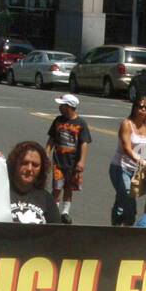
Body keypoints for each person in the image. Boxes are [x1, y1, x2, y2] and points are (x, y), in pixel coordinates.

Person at [109, 96, 146, 226]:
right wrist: (140, 160)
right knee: (129, 198)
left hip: (137, 171)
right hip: (120, 168)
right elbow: (127, 148)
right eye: (140, 106)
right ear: (134, 108)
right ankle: (127, 225)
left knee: (122, 199)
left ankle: (116, 225)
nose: (142, 110)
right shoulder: (127, 124)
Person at [45, 92, 90, 223]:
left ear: (70, 107)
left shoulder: (80, 123)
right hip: (59, 160)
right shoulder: (58, 121)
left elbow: (84, 143)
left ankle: (65, 212)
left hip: (73, 162)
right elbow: (52, 139)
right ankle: (54, 211)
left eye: (62, 105)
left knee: (69, 188)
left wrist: (81, 161)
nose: (60, 108)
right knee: (57, 187)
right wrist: (46, 152)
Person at [7, 140, 60, 224]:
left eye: (35, 165)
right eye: (24, 163)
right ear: (15, 163)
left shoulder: (47, 199)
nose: (29, 168)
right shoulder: (0, 191)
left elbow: (57, 233)